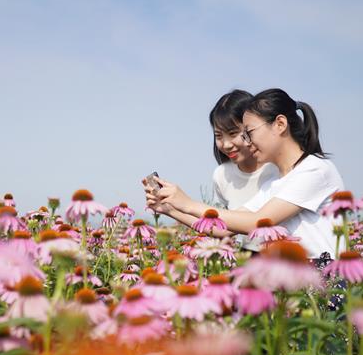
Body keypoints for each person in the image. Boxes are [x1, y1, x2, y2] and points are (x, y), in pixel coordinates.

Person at [146, 88, 345, 259]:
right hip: (291, 277)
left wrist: (188, 203)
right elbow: (222, 228)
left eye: (248, 133)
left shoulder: (315, 170)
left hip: (323, 278)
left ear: (280, 124)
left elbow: (257, 222)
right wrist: (170, 208)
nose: (247, 143)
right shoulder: (275, 183)